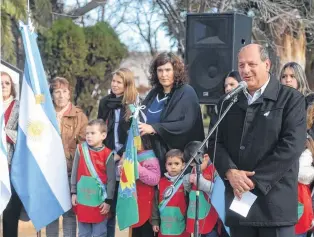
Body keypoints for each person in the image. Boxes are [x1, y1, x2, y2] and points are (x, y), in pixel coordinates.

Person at [208, 44, 306, 237]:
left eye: (252, 64)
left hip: (274, 205)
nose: (245, 70)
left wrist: (253, 181)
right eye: (241, 65)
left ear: (267, 64)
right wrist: (230, 171)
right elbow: (214, 142)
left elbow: (292, 146)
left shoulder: (290, 99)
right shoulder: (228, 102)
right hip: (239, 204)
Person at [139, 52, 205, 174]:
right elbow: (141, 116)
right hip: (152, 158)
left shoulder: (186, 92)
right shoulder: (154, 93)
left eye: (168, 70)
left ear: (176, 71)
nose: (164, 75)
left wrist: (154, 128)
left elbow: (186, 124)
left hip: (178, 163)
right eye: (160, 70)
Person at [97, 68, 137, 236]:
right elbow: (100, 127)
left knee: (126, 203)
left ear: (127, 85)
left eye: (119, 82)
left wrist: (122, 154)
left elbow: (135, 135)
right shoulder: (105, 102)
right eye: (113, 81)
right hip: (107, 156)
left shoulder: (133, 105)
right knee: (108, 204)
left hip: (125, 158)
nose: (114, 84)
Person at [46, 77, 88, 237]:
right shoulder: (44, 113)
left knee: (69, 214)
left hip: (70, 172)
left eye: (64, 91)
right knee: (51, 214)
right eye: (57, 92)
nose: (61, 95)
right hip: (49, 173)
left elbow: (84, 146)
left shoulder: (79, 116)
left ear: (69, 94)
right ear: (51, 95)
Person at [70, 119, 115, 237]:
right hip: (83, 199)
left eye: (93, 133)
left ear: (103, 135)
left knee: (99, 233)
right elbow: (74, 172)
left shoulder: (108, 154)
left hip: (100, 201)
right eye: (87, 133)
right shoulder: (80, 150)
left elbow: (111, 180)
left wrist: (108, 201)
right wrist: (73, 192)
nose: (89, 136)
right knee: (83, 233)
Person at [183, 141, 220, 237]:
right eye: (191, 165)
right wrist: (187, 180)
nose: (194, 167)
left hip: (210, 212)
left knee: (211, 233)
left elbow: (216, 190)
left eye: (195, 164)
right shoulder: (195, 167)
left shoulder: (215, 170)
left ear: (206, 157)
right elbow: (189, 190)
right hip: (195, 210)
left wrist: (199, 181)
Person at [1, 71, 21, 237]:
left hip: (11, 166)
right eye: (0, 83)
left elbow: (25, 135)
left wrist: (5, 132)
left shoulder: (19, 106)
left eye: (6, 83)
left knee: (10, 214)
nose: (3, 86)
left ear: (12, 86)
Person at [151, 149, 189, 237]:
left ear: (183, 165)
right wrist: (155, 221)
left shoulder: (186, 182)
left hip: (182, 226)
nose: (173, 167)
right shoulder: (160, 183)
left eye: (177, 163)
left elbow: (189, 204)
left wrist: (189, 222)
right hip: (165, 227)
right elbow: (155, 204)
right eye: (170, 164)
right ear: (165, 165)